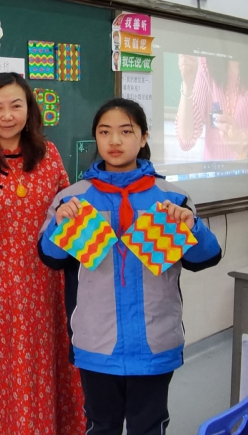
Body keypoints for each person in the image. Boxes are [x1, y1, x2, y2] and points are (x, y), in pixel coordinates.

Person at [39, 98, 222, 435]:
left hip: (156, 340)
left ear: (144, 137)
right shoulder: (74, 199)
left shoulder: (171, 198)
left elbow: (205, 259)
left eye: (126, 131)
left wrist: (192, 227)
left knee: (148, 427)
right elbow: (51, 258)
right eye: (104, 132)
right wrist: (57, 227)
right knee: (101, 426)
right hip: (96, 342)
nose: (115, 141)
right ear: (95, 137)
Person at [0, 72, 85, 435]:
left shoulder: (50, 155)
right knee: (2, 377)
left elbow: (69, 214)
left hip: (50, 287)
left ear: (29, 110)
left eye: (16, 105)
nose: (7, 115)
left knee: (57, 370)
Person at [175, 54, 248, 160]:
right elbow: (185, 140)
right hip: (214, 170)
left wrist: (244, 146)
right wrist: (187, 84)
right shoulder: (206, 64)